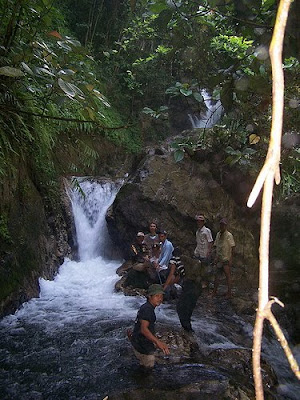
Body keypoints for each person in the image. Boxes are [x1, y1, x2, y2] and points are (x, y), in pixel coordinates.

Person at [127, 284, 170, 370]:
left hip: (137, 342)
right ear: (149, 297)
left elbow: (140, 325)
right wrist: (158, 342)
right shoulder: (148, 310)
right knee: (147, 371)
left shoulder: (146, 307)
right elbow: (144, 329)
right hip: (143, 347)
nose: (160, 299)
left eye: (161, 296)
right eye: (157, 296)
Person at [176, 255, 202, 333]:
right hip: (193, 286)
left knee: (183, 307)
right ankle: (187, 328)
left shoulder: (179, 260)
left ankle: (187, 328)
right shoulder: (193, 263)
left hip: (191, 286)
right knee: (186, 308)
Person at [210, 218, 235, 299]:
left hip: (226, 259)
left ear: (226, 226)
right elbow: (216, 246)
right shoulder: (218, 234)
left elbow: (232, 247)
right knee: (217, 276)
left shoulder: (229, 235)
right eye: (221, 225)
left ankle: (229, 293)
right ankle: (214, 292)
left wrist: (231, 259)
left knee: (228, 276)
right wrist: (215, 257)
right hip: (219, 258)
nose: (222, 226)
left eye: (223, 225)